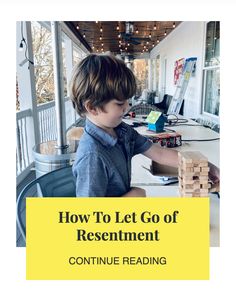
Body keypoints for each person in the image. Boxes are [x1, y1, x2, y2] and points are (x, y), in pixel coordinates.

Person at [69, 54, 219, 197]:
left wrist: (206, 166)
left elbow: (159, 154)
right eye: (120, 103)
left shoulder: (123, 131)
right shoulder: (91, 157)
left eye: (127, 100)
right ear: (92, 107)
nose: (127, 107)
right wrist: (131, 198)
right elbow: (88, 215)